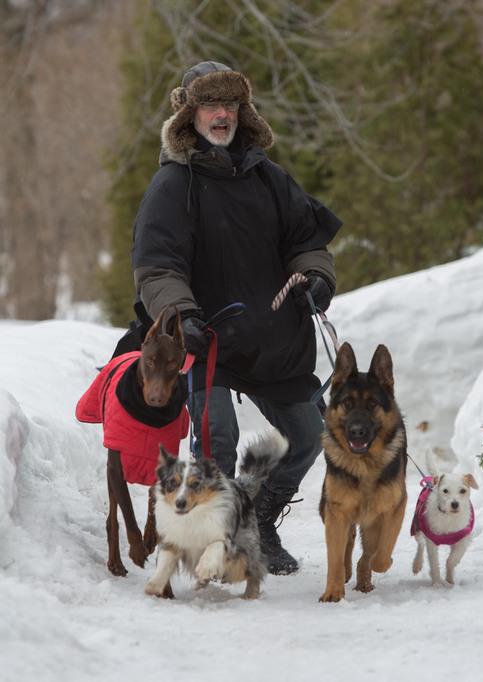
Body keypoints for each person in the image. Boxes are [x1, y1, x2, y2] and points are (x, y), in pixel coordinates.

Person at [129, 60, 342, 575]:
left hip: (274, 340)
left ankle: (258, 521)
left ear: (243, 111)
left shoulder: (269, 178)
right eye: (210, 105)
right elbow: (157, 267)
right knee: (217, 439)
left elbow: (306, 241)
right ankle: (214, 543)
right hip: (207, 341)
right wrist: (182, 316)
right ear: (190, 114)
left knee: (309, 435)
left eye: (230, 104)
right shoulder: (172, 185)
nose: (221, 114)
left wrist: (316, 277)